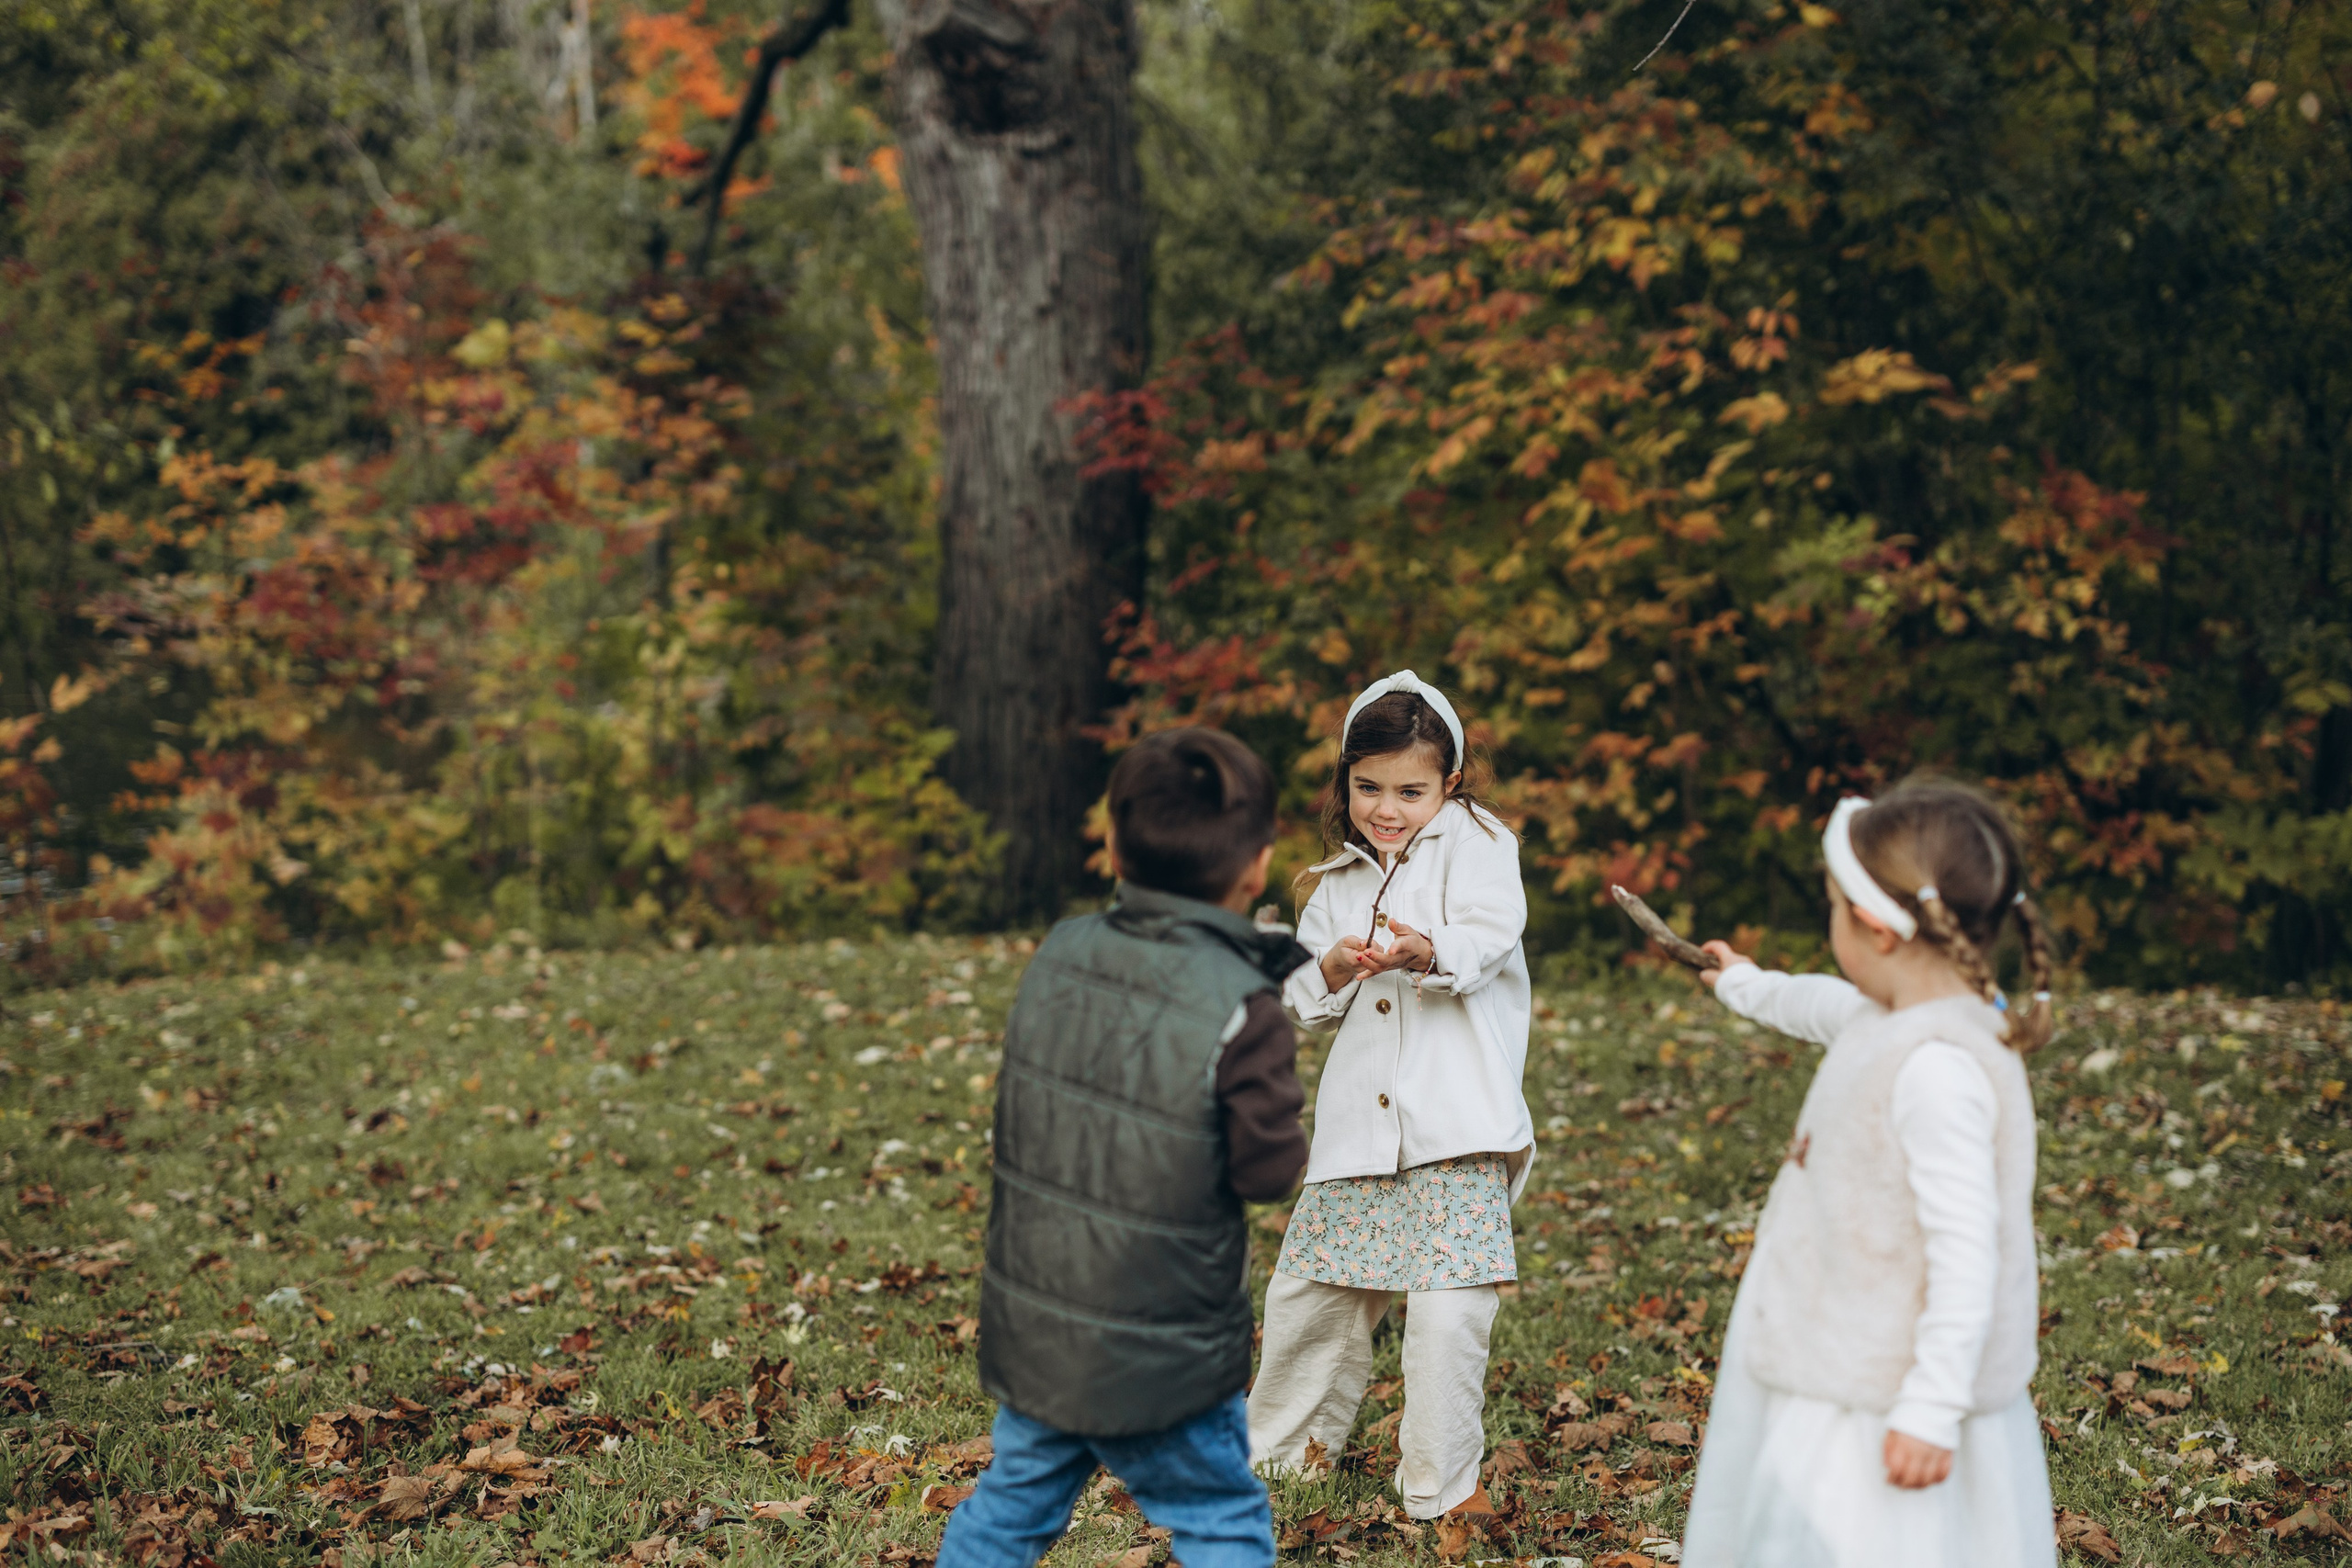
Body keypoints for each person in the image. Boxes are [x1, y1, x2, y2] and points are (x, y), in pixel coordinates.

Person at [937, 727, 1311, 1568]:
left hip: (1044, 1322)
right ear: (1258, 867)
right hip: (1164, 1346)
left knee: (1008, 1509)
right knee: (1221, 1518)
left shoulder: (1059, 953)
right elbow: (1267, 1172)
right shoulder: (1243, 1005)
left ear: (1110, 845)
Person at [1681, 779, 2060, 1568]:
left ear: (1876, 928)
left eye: (1832, 905)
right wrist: (1742, 982)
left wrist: (1931, 1406)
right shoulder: (1893, 1011)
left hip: (1884, 1394)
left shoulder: (1937, 1070)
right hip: (1837, 1345)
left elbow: (1969, 1250)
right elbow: (1814, 1001)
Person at [1247, 670, 1534, 1522]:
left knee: (1447, 1315)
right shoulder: (1335, 877)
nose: (1387, 807)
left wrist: (1424, 948)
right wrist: (1332, 965)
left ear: (1448, 782)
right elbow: (1301, 991)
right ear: (1345, 780)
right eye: (1368, 786)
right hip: (1357, 1132)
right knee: (1312, 1299)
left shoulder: (1481, 842)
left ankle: (1438, 1487)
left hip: (1457, 1122)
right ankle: (1280, 1457)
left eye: (1410, 789)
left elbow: (1487, 935)